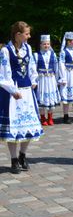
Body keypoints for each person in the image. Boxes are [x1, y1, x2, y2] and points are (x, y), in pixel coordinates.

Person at [0, 21, 43, 174]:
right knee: (14, 127)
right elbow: (3, 73)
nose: (29, 36)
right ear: (18, 35)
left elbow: (31, 66)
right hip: (13, 93)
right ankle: (13, 159)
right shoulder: (6, 51)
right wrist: (12, 89)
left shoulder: (28, 48)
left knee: (29, 125)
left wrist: (34, 80)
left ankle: (23, 155)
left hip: (27, 91)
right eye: (26, 33)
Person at [34, 34, 61, 126]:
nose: (46, 46)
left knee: (50, 98)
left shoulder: (53, 55)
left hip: (50, 79)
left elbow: (56, 68)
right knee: (42, 98)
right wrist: (34, 80)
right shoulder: (36, 55)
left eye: (48, 44)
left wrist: (58, 79)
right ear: (40, 44)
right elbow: (33, 68)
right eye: (44, 44)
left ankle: (50, 117)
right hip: (41, 79)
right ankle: (42, 117)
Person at [58, 31, 73, 123]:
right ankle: (65, 115)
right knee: (67, 97)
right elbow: (61, 64)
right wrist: (63, 77)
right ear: (69, 42)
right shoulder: (64, 52)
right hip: (68, 75)